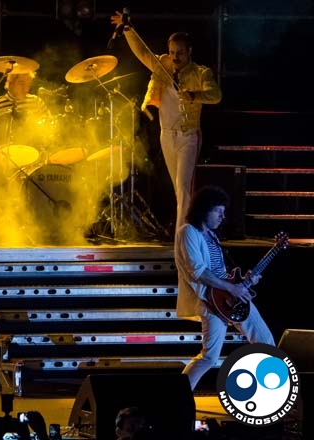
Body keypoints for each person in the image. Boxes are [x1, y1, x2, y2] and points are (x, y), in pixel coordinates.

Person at [110, 12, 222, 232]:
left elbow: (216, 95)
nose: (175, 57)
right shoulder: (162, 65)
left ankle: (184, 234)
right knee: (178, 188)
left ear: (189, 51)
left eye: (180, 53)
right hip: (166, 134)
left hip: (188, 136)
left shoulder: (201, 73)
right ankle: (190, 230)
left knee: (183, 187)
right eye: (172, 52)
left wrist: (195, 96)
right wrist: (128, 30)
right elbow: (142, 52)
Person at [174, 185, 274, 390]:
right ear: (204, 209)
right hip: (212, 302)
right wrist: (233, 288)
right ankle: (180, 394)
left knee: (266, 344)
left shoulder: (211, 236)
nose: (222, 217)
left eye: (223, 212)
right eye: (218, 211)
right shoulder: (188, 232)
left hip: (229, 297)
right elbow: (198, 271)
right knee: (209, 357)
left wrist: (243, 282)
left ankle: (267, 390)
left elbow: (218, 272)